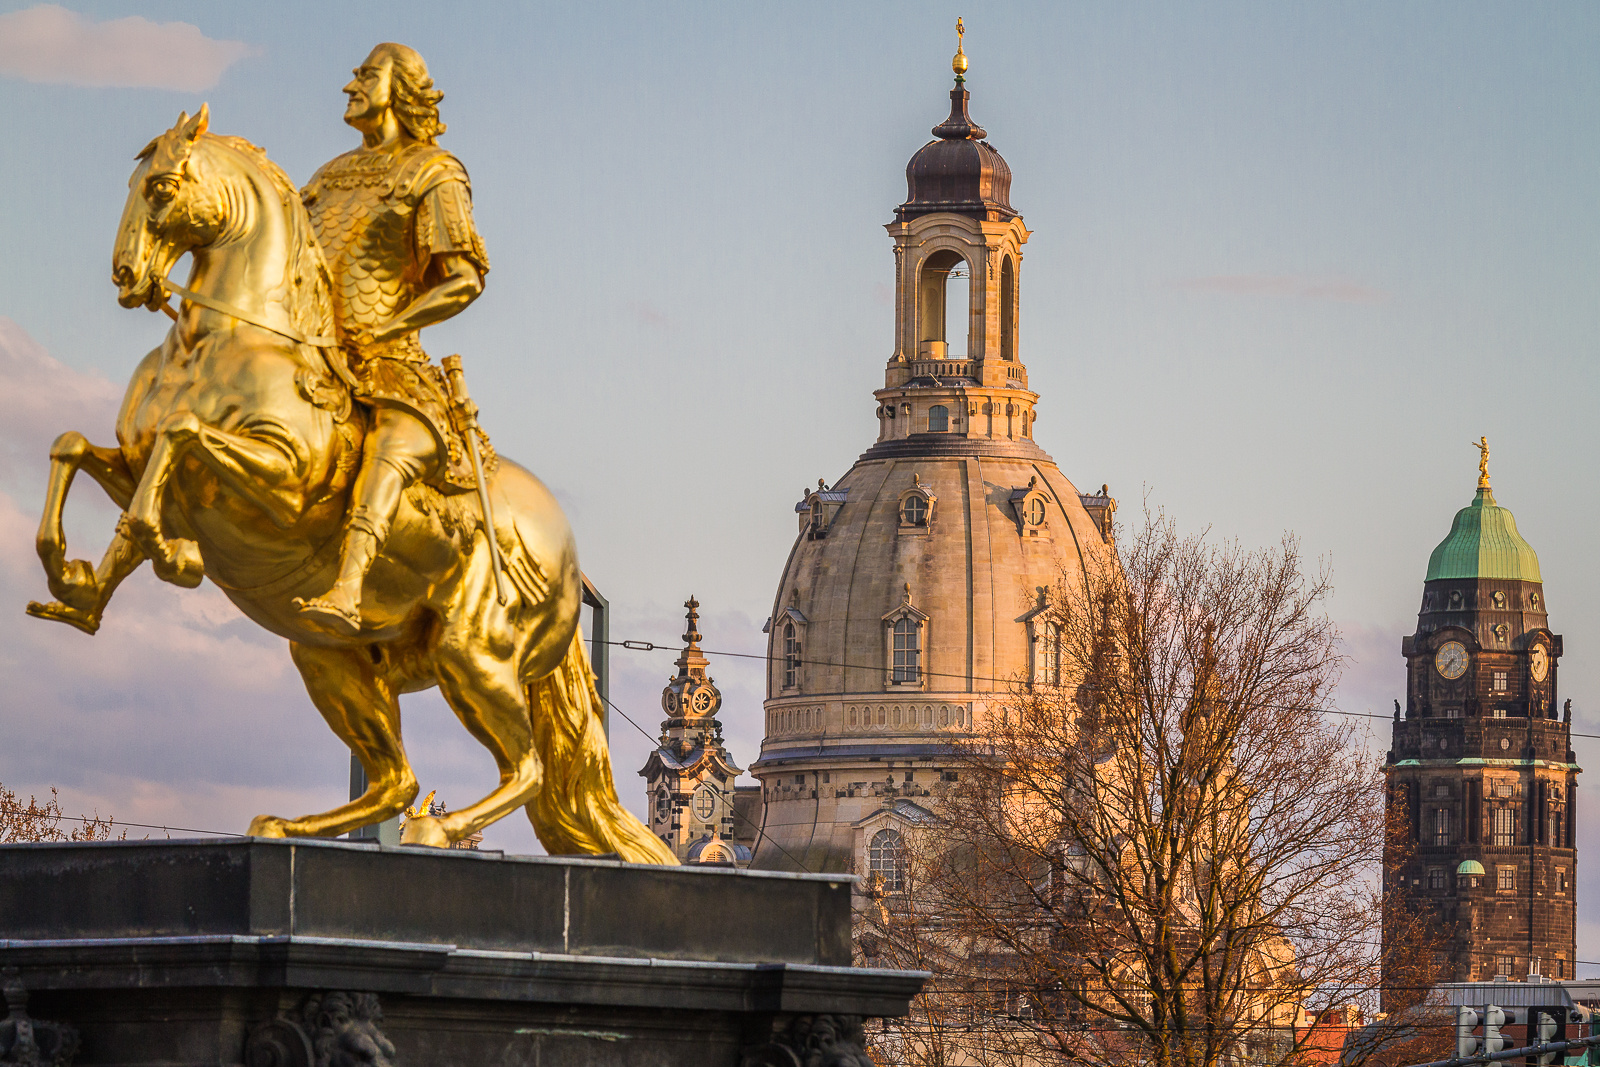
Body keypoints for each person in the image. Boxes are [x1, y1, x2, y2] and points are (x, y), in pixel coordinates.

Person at [293, 43, 491, 635]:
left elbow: (464, 279)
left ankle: (349, 584)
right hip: (314, 355)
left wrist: (390, 325)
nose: (352, 81)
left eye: (368, 73)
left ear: (400, 90)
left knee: (390, 446)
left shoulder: (433, 171)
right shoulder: (327, 177)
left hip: (389, 362)